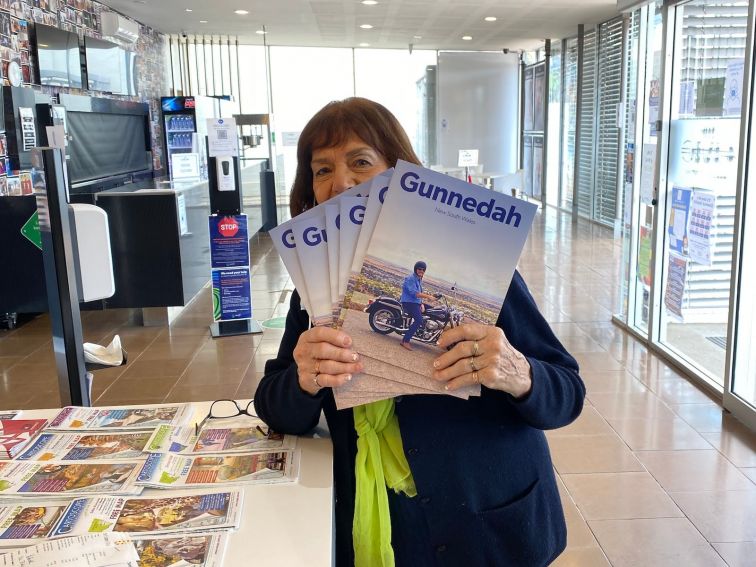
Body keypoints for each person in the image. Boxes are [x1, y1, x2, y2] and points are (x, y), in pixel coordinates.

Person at [254, 97, 585, 567]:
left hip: (487, 528)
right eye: (321, 169)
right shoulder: (311, 291)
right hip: (382, 528)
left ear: (400, 175)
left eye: (361, 162)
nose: (340, 183)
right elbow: (274, 406)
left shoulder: (478, 271)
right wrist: (303, 380)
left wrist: (518, 372)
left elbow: (567, 393)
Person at [399, 260, 437, 351]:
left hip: (415, 302)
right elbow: (414, 293)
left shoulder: (419, 279)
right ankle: (405, 341)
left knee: (433, 310)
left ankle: (425, 331)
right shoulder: (411, 278)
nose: (421, 271)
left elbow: (418, 296)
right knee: (419, 320)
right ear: (416, 269)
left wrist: (421, 303)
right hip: (408, 302)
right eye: (420, 269)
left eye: (423, 270)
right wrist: (428, 297)